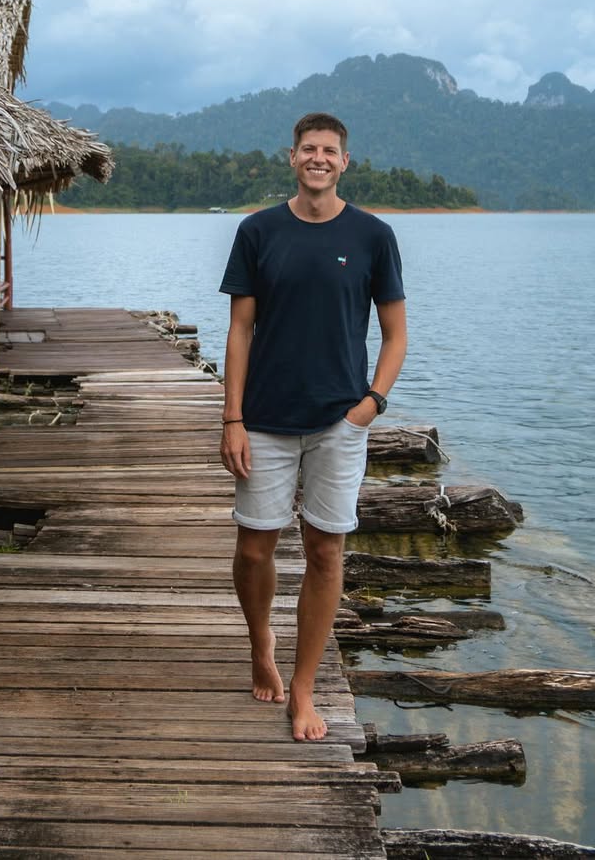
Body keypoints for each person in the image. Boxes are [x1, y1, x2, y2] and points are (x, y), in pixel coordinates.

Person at [219, 111, 408, 741]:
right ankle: (261, 642)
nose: (318, 158)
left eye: (329, 150)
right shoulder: (258, 231)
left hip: (338, 423)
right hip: (265, 419)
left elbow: (396, 334)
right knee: (254, 548)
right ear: (292, 157)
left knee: (326, 551)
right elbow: (240, 329)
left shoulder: (374, 235)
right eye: (308, 149)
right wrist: (232, 417)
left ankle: (304, 688)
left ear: (345, 161)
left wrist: (371, 404)